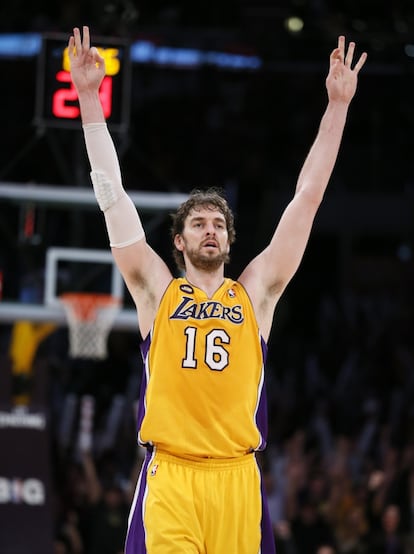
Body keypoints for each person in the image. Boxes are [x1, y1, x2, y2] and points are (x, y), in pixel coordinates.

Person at [68, 25, 367, 554]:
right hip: (172, 477)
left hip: (237, 478)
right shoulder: (156, 290)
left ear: (229, 240)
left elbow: (307, 198)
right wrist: (90, 100)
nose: (211, 229)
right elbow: (113, 200)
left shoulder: (255, 294)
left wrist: (338, 106)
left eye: (219, 224)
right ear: (179, 242)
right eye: (199, 223)